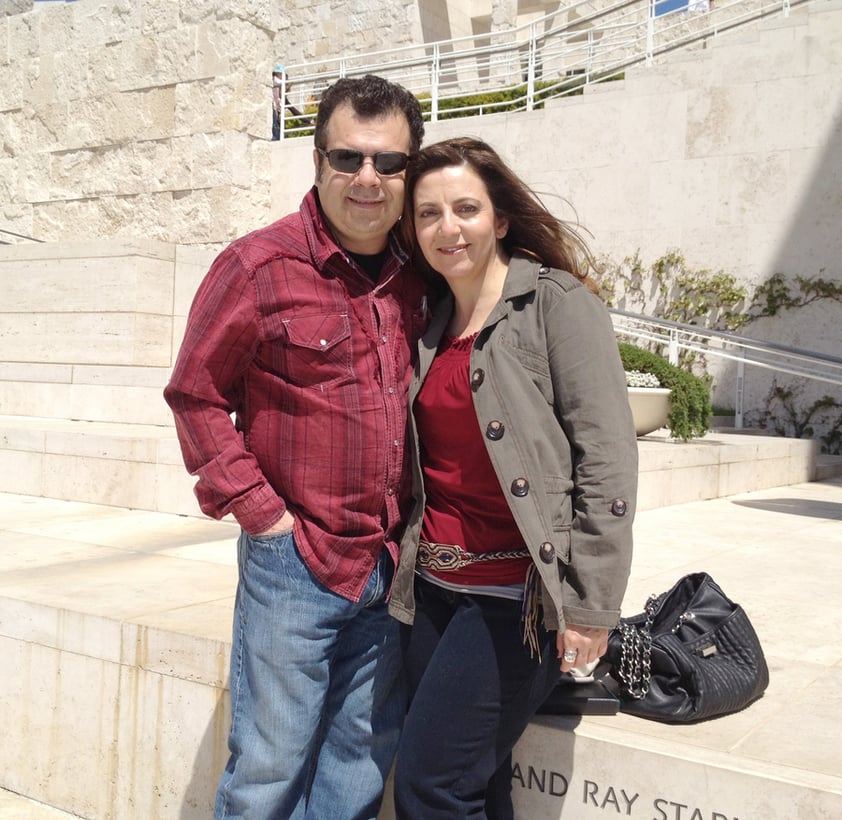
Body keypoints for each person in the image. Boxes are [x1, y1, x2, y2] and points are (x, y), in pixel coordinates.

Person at [164, 74, 426, 819]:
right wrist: (263, 518)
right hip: (296, 564)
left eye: (389, 162)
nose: (367, 178)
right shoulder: (258, 267)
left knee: (358, 765)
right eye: (348, 158)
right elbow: (196, 394)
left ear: (410, 170)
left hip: (389, 564)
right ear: (317, 164)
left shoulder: (421, 277)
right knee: (269, 769)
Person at [388, 137, 638, 819]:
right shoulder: (432, 322)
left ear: (499, 219)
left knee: (430, 786)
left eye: (465, 208)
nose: (448, 227)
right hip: (433, 591)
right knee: (477, 778)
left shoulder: (555, 305)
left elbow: (608, 460)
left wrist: (591, 605)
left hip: (516, 602)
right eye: (428, 213)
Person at [272, 63, 313, 140]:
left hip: (277, 120)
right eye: (280, 76)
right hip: (273, 117)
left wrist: (308, 121)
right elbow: (275, 81)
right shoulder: (273, 87)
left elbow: (294, 110)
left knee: (278, 134)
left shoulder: (283, 98)